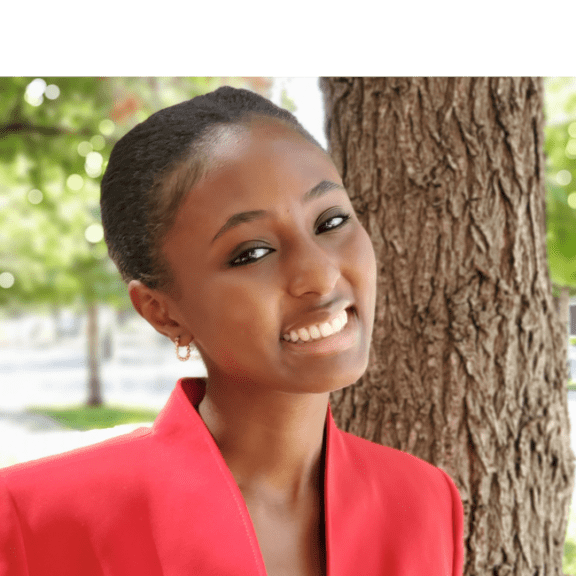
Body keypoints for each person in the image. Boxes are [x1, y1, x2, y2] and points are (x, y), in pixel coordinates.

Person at [0, 86, 464, 575]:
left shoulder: (425, 503)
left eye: (330, 221)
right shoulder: (32, 521)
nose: (320, 276)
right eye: (252, 253)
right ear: (162, 312)